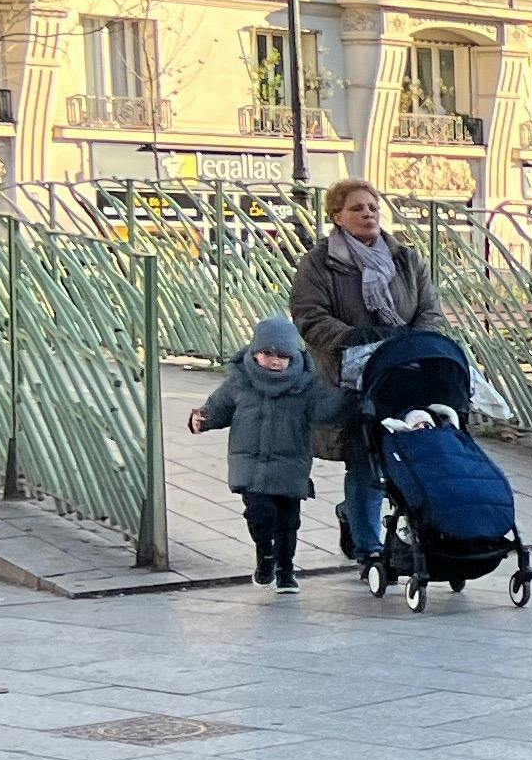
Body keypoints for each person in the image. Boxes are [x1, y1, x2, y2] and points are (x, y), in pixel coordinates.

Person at [288, 179, 448, 572]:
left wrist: (415, 342)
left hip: (406, 368)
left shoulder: (406, 259)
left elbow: (430, 308)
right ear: (337, 216)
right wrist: (354, 337)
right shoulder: (319, 263)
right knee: (365, 459)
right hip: (352, 375)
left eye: (373, 207)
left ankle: (398, 526)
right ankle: (368, 547)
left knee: (411, 451)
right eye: (357, 208)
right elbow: (309, 316)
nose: (368, 214)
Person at [188, 314, 340, 591]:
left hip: (290, 466)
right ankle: (265, 555)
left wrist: (349, 400)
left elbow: (326, 410)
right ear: (254, 351)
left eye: (282, 355)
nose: (274, 360)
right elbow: (219, 408)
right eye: (267, 353)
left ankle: (285, 571)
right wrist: (203, 419)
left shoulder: (306, 386)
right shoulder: (240, 381)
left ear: (294, 356)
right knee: (259, 514)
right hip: (251, 465)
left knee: (288, 522)